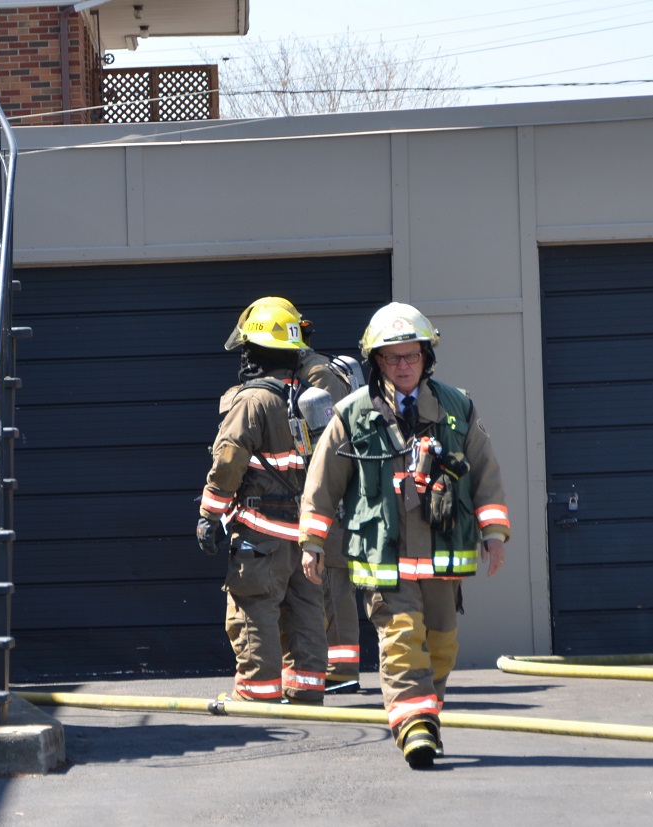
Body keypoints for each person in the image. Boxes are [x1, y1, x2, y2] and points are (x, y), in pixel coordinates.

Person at [298, 302, 510, 770]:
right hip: (384, 558)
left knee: (441, 646)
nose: (402, 366)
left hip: (441, 559)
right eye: (391, 358)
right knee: (400, 640)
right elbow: (321, 482)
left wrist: (494, 532)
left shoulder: (457, 408)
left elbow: (486, 474)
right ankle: (413, 728)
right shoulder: (352, 415)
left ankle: (423, 717)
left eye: (410, 356)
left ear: (425, 357)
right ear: (376, 362)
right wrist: (312, 542)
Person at [225, 298, 365, 694]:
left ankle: (339, 672)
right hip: (312, 502)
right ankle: (315, 680)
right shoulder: (302, 376)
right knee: (314, 591)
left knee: (328, 582)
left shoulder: (313, 377)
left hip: (321, 500)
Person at [198, 298, 329, 706]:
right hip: (305, 536)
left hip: (261, 535)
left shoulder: (252, 401)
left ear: (254, 352)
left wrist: (209, 516)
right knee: (305, 611)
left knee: (253, 610)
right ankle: (305, 692)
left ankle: (257, 695)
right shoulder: (310, 398)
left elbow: (228, 461)